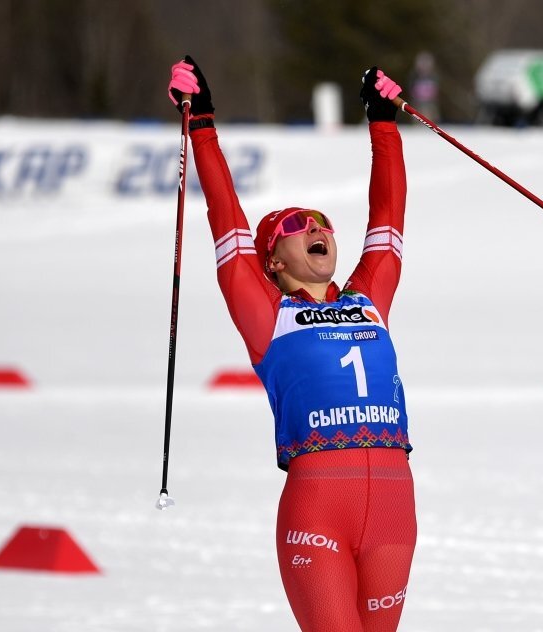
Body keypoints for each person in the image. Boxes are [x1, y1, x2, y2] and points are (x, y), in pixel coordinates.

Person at [168, 56, 416, 632]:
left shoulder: (368, 298)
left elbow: (389, 216)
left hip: (394, 512)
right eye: (297, 228)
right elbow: (226, 221)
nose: (318, 230)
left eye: (322, 222)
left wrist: (383, 123)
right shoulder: (267, 316)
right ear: (272, 261)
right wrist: (201, 122)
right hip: (319, 508)